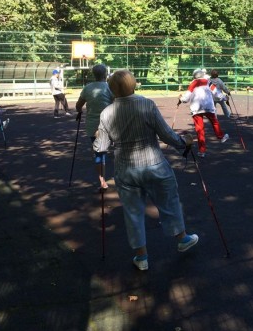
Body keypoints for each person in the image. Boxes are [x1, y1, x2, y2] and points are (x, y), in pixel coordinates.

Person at [93, 69, 198, 271]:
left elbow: (101, 147)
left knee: (133, 214)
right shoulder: (146, 104)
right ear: (133, 84)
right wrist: (183, 143)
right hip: (155, 165)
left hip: (125, 170)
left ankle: (141, 257)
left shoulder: (106, 113)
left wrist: (98, 138)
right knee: (169, 202)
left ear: (111, 89)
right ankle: (182, 238)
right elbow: (166, 134)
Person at [75, 64, 114, 189]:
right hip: (109, 124)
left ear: (94, 74)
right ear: (105, 75)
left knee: (99, 154)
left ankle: (102, 181)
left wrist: (80, 111)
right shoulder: (110, 87)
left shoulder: (88, 88)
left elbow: (78, 105)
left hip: (93, 125)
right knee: (116, 150)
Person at [179, 68, 229, 158]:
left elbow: (186, 98)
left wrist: (181, 99)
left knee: (200, 130)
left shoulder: (193, 83)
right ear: (202, 74)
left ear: (194, 75)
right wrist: (225, 98)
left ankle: (202, 151)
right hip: (208, 107)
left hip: (196, 109)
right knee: (215, 122)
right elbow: (217, 93)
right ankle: (221, 137)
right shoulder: (208, 82)